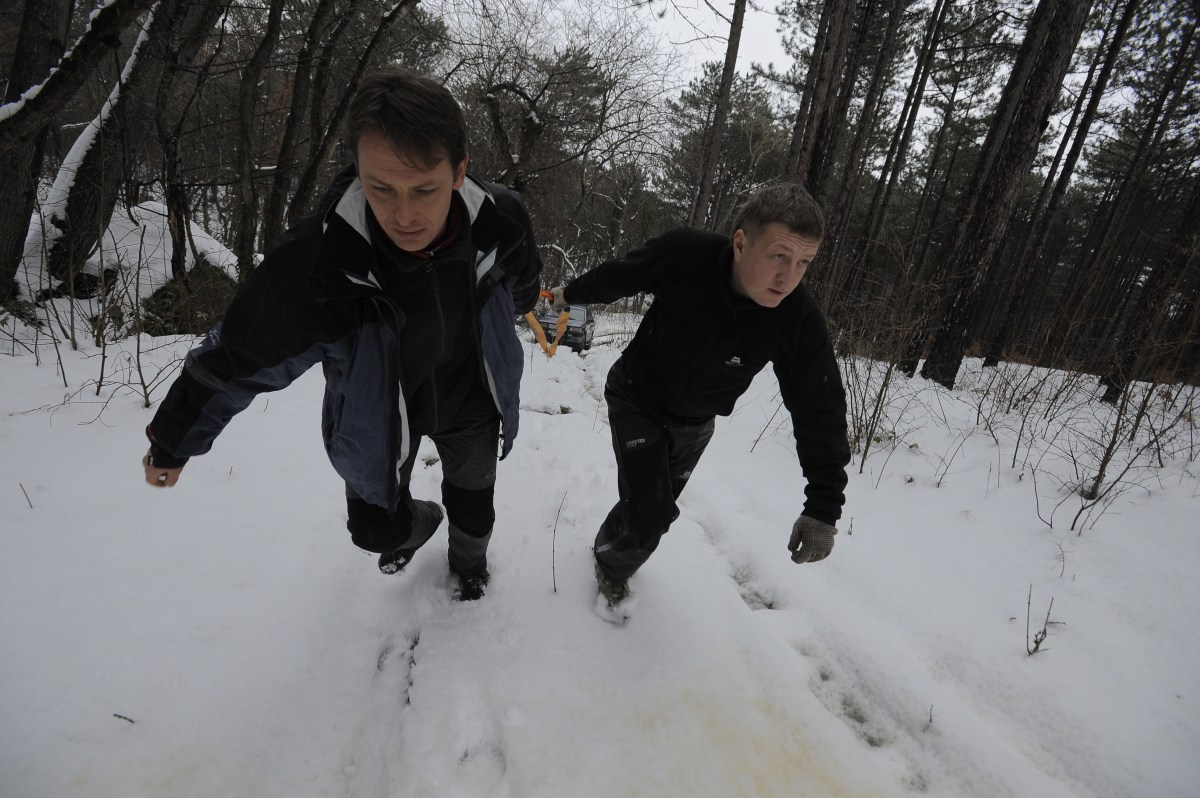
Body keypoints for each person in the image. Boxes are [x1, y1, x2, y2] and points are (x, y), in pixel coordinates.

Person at [141, 68, 543, 600]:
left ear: (459, 171)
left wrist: (505, 324)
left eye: (424, 189)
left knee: (475, 508)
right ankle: (413, 525)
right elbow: (237, 357)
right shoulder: (324, 260)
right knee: (374, 531)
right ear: (357, 169)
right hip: (377, 418)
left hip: (473, 402)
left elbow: (524, 283)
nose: (403, 215)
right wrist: (172, 441)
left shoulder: (499, 220)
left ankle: (468, 566)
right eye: (380, 188)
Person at [550, 183, 850, 619]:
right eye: (779, 256)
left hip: (695, 424)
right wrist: (569, 294)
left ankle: (615, 544)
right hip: (636, 397)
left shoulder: (796, 318)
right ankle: (609, 566)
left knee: (649, 514)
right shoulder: (685, 255)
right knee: (652, 511)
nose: (789, 278)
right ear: (742, 242)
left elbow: (819, 409)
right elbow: (619, 275)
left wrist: (824, 507)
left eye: (804, 262)